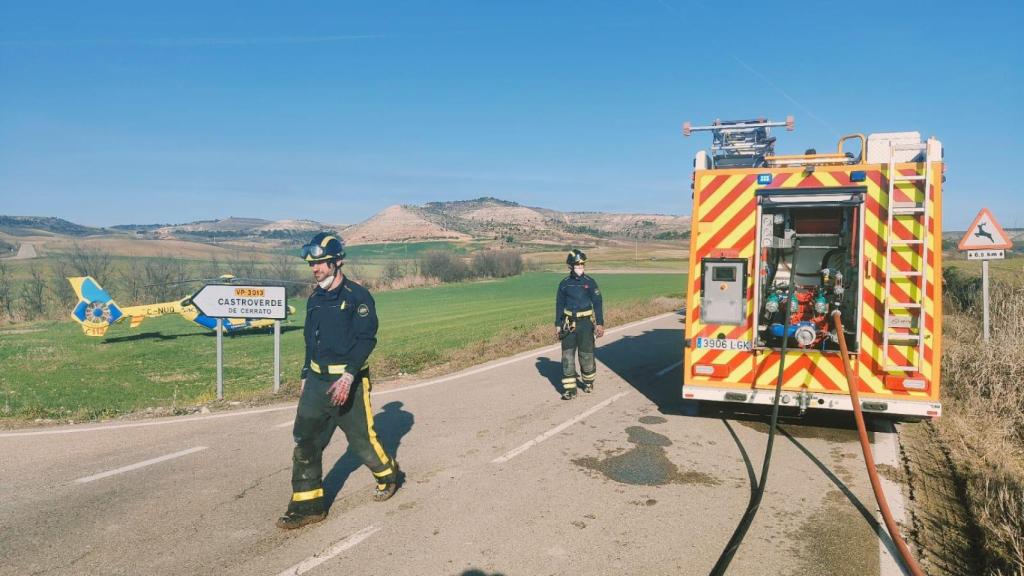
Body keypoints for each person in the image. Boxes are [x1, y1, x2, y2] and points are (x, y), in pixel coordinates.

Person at [277, 232, 402, 530]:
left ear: (337, 262)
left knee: (360, 442)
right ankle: (308, 507)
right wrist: (306, 374)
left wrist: (348, 376)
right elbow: (311, 340)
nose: (315, 269)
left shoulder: (357, 296)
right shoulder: (315, 298)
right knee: (306, 442)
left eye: (320, 263)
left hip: (349, 382)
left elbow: (366, 339)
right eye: (312, 264)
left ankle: (387, 474)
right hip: (318, 382)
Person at [555, 249, 605, 400]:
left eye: (582, 264)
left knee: (586, 356)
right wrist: (558, 324)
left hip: (585, 324)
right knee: (567, 357)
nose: (580, 267)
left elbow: (597, 303)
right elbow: (559, 305)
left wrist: (600, 324)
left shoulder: (590, 282)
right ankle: (570, 390)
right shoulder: (564, 284)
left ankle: (588, 382)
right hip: (568, 325)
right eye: (577, 264)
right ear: (570, 266)